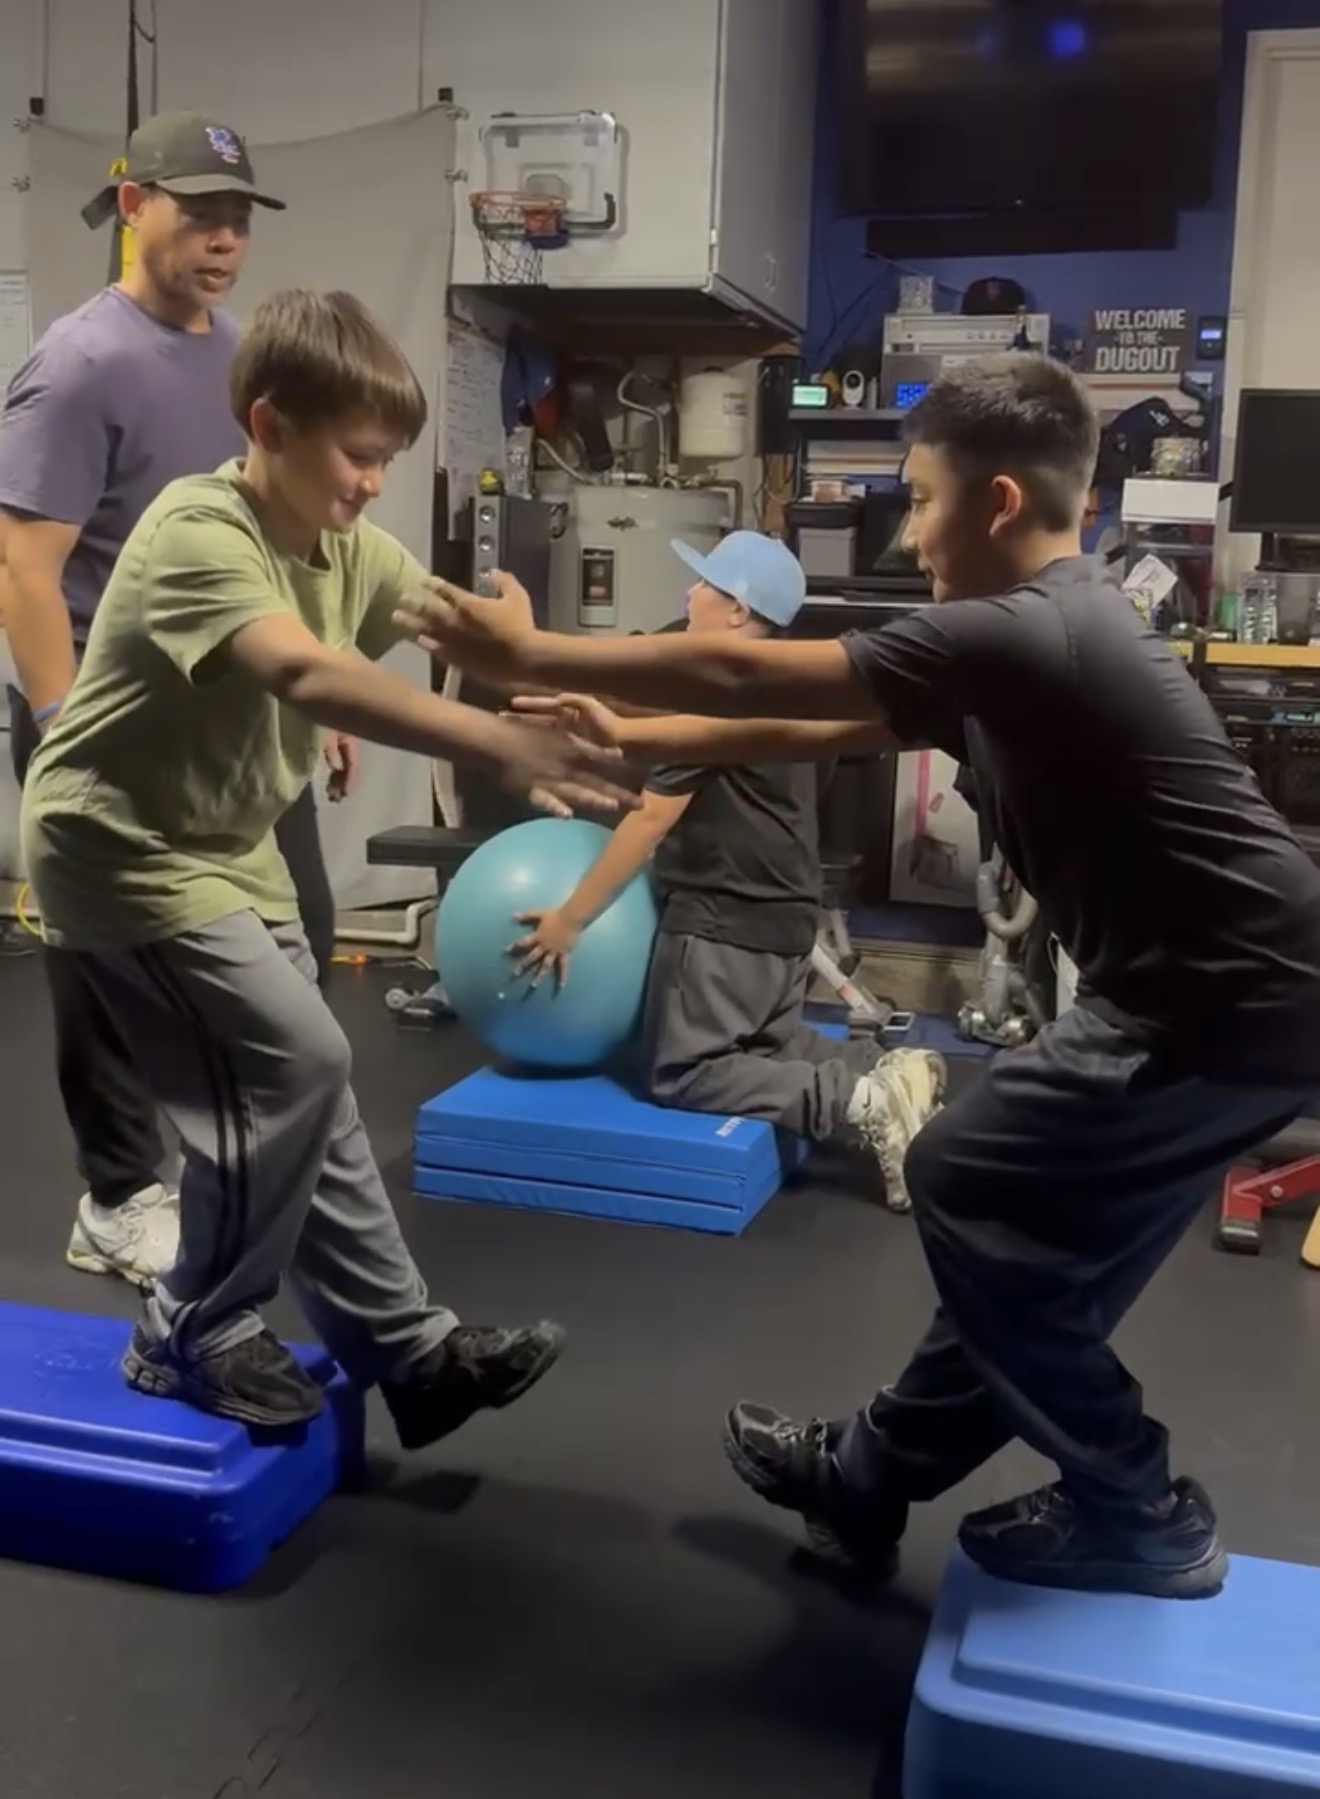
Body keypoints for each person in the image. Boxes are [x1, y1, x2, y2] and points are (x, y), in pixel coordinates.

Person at [393, 351, 1320, 1600]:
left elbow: (747, 669)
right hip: (1217, 992)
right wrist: (626, 729)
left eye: (921, 498)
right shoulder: (1027, 637)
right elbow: (819, 723)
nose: (910, 528)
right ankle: (865, 1478)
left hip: (1227, 996)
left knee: (963, 1176)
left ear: (997, 501)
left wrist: (536, 647)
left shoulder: (1034, 625)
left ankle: (1138, 1501)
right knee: (1034, 1257)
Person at [19, 287, 632, 1433]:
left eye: (387, 458)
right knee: (294, 1063)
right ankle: (192, 1326)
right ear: (268, 428)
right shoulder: (196, 532)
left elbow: (458, 626)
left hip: (226, 840)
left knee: (313, 1086)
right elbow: (301, 671)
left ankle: (412, 1352)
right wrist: (501, 735)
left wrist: (560, 666)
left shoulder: (349, 542)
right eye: (357, 456)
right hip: (119, 845)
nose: (370, 483)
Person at [0, 109, 342, 1289]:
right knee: (104, 963)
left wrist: (324, 698)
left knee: (299, 937)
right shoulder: (81, 361)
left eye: (239, 218)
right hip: (102, 715)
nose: (224, 239)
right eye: (200, 212)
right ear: (132, 204)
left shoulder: (240, 356)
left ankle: (239, 1177)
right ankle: (116, 1194)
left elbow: (267, 543)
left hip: (231, 710)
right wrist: (58, 740)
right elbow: (24, 570)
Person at [513, 530, 945, 1207]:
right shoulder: (790, 688)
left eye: (705, 584)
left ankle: (862, 1098)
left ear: (739, 611)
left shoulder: (714, 700)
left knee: (685, 1071)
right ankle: (891, 1070)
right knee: (770, 1044)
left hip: (723, 921)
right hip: (788, 917)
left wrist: (570, 920)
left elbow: (650, 821)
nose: (690, 593)